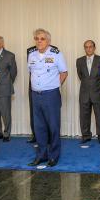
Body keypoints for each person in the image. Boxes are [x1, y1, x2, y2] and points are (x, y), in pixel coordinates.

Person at [27, 29, 68, 167]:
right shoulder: (31, 55)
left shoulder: (56, 54)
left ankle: (54, 156)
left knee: (53, 126)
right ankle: (41, 155)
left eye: (42, 39)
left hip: (51, 95)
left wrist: (54, 85)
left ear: (48, 41)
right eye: (37, 38)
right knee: (39, 127)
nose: (39, 41)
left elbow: (64, 72)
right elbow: (31, 73)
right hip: (35, 95)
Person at [76, 40, 100, 143]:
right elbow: (81, 76)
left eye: (90, 47)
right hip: (84, 93)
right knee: (84, 116)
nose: (88, 49)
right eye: (86, 47)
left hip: (98, 93)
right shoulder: (79, 61)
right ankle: (86, 135)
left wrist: (98, 87)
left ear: (94, 47)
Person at [0, 36, 17, 142]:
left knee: (5, 112)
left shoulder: (9, 55)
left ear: (1, 43)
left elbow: (14, 72)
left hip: (4, 88)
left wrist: (7, 83)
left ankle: (7, 133)